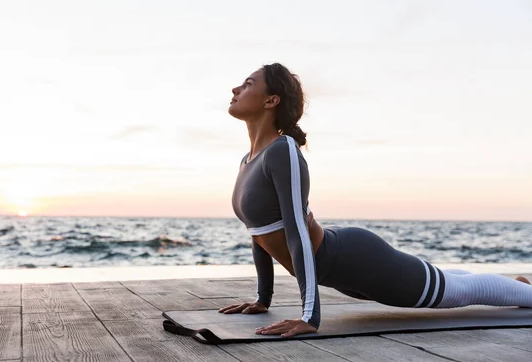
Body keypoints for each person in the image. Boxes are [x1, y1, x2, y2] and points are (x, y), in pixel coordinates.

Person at [217, 62, 532, 338]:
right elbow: (258, 234)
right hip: (339, 271)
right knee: (446, 280)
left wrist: (309, 317)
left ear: (271, 100)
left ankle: (523, 292)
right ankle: (516, 286)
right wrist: (263, 299)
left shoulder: (283, 149)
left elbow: (297, 230)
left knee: (456, 292)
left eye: (248, 84)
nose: (236, 88)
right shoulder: (248, 160)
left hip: (355, 258)